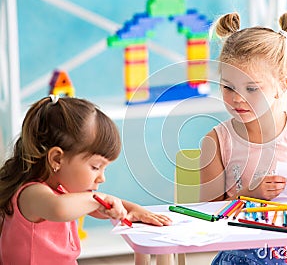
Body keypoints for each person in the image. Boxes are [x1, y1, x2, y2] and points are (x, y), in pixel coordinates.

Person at [200, 10, 287, 264]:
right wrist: (249, 194)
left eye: (252, 88)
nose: (237, 98)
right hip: (243, 254)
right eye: (228, 87)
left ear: (282, 85)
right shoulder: (216, 141)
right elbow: (209, 212)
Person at [0, 96, 172, 264]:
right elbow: (59, 208)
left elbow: (98, 208)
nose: (102, 178)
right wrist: (101, 200)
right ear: (57, 159)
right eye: (96, 167)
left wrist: (134, 210)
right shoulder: (32, 193)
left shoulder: (64, 191)